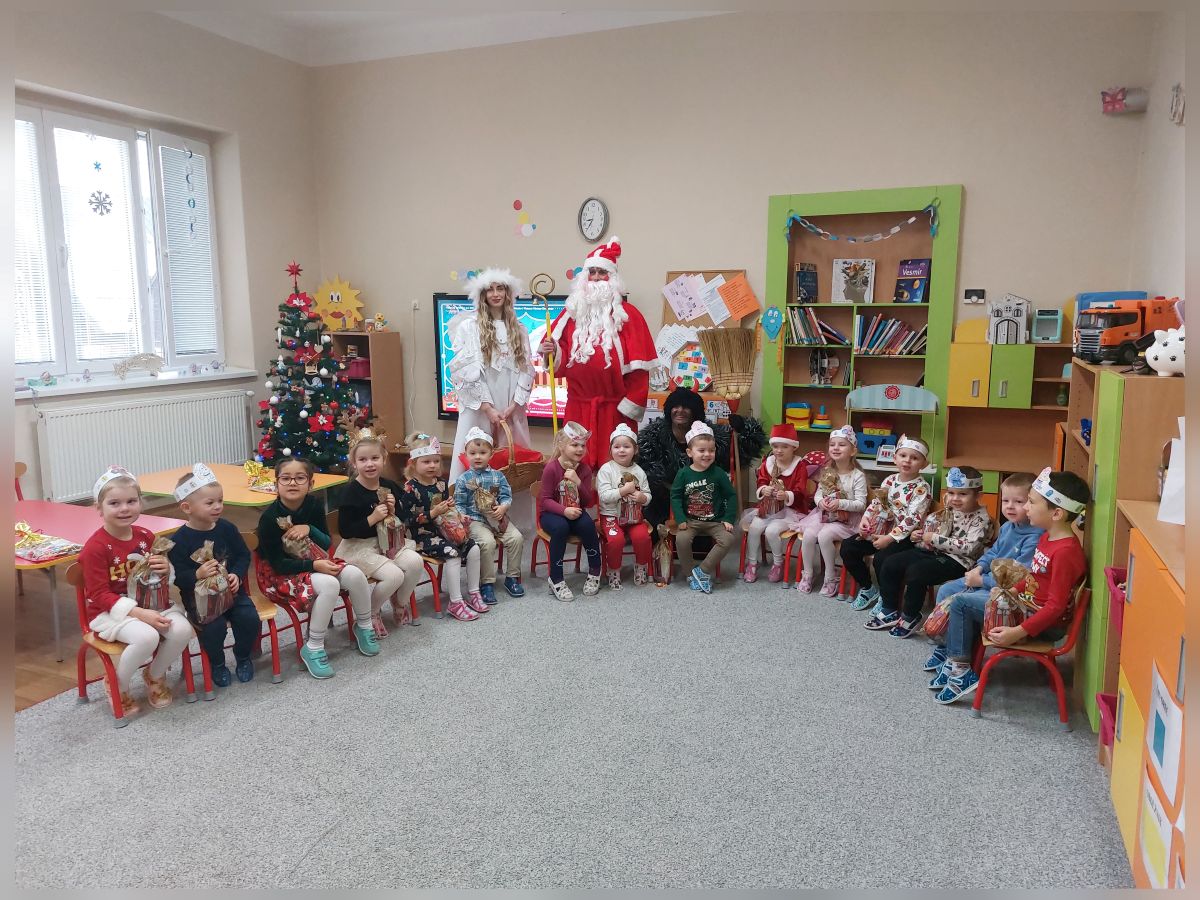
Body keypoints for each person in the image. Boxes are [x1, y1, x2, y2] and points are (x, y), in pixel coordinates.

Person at [932, 468, 1089, 705]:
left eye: (1031, 502)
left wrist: (1018, 632)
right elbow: (1034, 577)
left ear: (1056, 513)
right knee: (958, 596)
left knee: (961, 603)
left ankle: (960, 670)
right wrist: (1010, 591)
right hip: (1025, 605)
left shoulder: (1065, 552)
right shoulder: (1048, 537)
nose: (1026, 508)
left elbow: (1055, 608)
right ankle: (955, 660)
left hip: (1041, 623)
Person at [80, 466, 194, 714]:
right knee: (147, 637)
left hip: (152, 602)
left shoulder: (146, 536)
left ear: (141, 503)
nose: (124, 508)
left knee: (183, 630)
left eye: (131, 501)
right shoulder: (95, 548)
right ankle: (117, 684)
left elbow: (161, 578)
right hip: (110, 611)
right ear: (99, 508)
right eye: (114, 503)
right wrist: (139, 613)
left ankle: (154, 675)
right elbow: (98, 594)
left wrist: (166, 568)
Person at [536, 237, 657, 469]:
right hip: (578, 408)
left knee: (615, 471)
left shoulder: (628, 316)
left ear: (613, 278)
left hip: (615, 411)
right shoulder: (571, 314)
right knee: (573, 468)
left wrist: (629, 407)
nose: (597, 277)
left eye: (602, 272)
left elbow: (640, 372)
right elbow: (557, 357)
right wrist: (553, 350)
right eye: (592, 272)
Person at [255, 457, 380, 679]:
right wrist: (314, 565)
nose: (292, 483)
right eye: (286, 478)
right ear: (276, 484)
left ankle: (364, 626)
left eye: (300, 478)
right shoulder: (269, 518)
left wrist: (309, 529)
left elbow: (325, 543)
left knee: (354, 574)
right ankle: (313, 646)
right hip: (280, 575)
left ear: (311, 484)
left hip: (315, 561)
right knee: (330, 585)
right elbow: (278, 565)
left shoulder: (313, 505)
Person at [924, 471, 1041, 683]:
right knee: (946, 590)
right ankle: (946, 646)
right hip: (987, 580)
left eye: (1019, 501)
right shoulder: (1008, 527)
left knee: (960, 602)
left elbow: (1020, 579)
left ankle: (959, 661)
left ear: (1033, 503)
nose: (1010, 507)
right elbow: (993, 552)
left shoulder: (1036, 536)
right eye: (1005, 501)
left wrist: (982, 581)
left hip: (1006, 593)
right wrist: (979, 568)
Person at [447, 268, 536, 534]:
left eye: (501, 289)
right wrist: (487, 408)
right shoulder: (469, 327)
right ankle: (470, 520)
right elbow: (465, 369)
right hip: (480, 405)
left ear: (508, 293)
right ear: (483, 294)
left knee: (511, 460)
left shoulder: (519, 329)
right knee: (476, 454)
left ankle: (510, 519)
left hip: (510, 405)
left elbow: (526, 368)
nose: (496, 294)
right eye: (490, 289)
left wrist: (514, 405)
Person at [864, 465, 994, 638]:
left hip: (958, 562)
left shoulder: (982, 519)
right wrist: (917, 537)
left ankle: (910, 616)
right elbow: (932, 532)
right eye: (952, 492)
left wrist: (934, 538)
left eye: (963, 494)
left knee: (917, 572)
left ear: (978, 496)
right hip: (932, 552)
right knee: (890, 562)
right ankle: (889, 609)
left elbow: (969, 548)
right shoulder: (948, 510)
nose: (955, 498)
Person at [167, 464, 261, 686]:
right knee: (213, 628)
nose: (218, 506)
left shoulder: (226, 528)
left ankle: (242, 655)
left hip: (232, 592)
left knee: (249, 618)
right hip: (200, 601)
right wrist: (197, 574)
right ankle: (217, 663)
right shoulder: (179, 540)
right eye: (210, 503)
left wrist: (237, 574)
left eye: (220, 500)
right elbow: (178, 578)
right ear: (187, 507)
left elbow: (242, 555)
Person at [336, 429, 431, 633]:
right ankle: (370, 613)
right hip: (360, 546)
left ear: (384, 459)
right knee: (394, 575)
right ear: (354, 463)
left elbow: (405, 517)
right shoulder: (350, 492)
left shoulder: (390, 486)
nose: (369, 464)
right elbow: (345, 530)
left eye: (375, 458)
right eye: (363, 459)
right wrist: (372, 518)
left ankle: (399, 602)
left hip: (390, 541)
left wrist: (395, 509)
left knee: (415, 562)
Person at [638, 386, 765, 535]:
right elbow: (644, 472)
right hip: (665, 501)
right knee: (656, 534)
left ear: (695, 411)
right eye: (675, 406)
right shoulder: (652, 436)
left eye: (686, 407)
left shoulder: (709, 435)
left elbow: (744, 449)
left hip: (704, 501)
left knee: (701, 542)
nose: (680, 410)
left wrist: (743, 428)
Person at [396, 432, 484, 622]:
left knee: (473, 547)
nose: (432, 465)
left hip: (443, 530)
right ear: (413, 464)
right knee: (452, 553)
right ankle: (455, 602)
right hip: (420, 536)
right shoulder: (410, 488)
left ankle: (474, 592)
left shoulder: (441, 484)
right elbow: (405, 520)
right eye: (426, 462)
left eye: (436, 461)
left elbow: (447, 510)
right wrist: (433, 513)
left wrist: (456, 514)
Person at [841, 436, 933, 611]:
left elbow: (912, 520)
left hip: (904, 538)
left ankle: (886, 596)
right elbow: (877, 503)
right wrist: (866, 518)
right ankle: (868, 588)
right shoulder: (889, 480)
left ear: (924, 464)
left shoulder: (922, 488)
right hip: (880, 530)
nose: (907, 461)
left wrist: (889, 539)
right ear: (895, 458)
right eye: (903, 455)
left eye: (914, 458)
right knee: (848, 547)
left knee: (883, 559)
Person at [453, 426, 526, 602]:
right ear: (466, 455)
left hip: (496, 517)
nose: (477, 457)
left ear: (491, 454)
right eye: (473, 453)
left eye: (482, 453)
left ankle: (512, 577)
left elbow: (506, 495)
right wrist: (462, 516)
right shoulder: (463, 479)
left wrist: (503, 507)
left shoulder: (498, 476)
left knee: (516, 538)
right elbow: (459, 504)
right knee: (487, 542)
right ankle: (486, 583)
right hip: (475, 520)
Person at [793, 426, 868, 595]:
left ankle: (830, 577)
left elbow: (861, 504)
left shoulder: (857, 476)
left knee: (824, 535)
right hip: (825, 517)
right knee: (809, 534)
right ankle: (808, 573)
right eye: (832, 444)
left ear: (853, 451)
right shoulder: (827, 472)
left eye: (842, 444)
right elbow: (818, 494)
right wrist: (821, 503)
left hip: (848, 522)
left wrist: (840, 503)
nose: (835, 448)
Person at [538, 422, 603, 601]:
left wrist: (579, 482)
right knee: (561, 528)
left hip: (575, 512)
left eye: (583, 445)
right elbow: (545, 501)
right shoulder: (551, 468)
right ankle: (556, 578)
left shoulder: (584, 470)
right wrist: (564, 510)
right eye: (574, 445)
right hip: (551, 514)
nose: (580, 449)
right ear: (561, 446)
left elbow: (588, 502)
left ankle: (595, 571)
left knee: (588, 525)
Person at [671, 421, 738, 594]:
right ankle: (690, 574)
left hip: (715, 521)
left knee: (728, 539)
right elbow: (675, 496)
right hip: (690, 521)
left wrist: (728, 519)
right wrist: (680, 519)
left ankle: (702, 571)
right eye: (701, 450)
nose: (707, 454)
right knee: (681, 539)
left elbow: (731, 496)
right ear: (690, 452)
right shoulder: (683, 474)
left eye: (711, 450)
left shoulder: (718, 474)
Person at [741, 423, 811, 584]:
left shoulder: (799, 466)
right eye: (775, 446)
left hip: (790, 510)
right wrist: (764, 489)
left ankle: (778, 564)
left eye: (784, 447)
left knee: (772, 531)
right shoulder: (768, 462)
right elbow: (761, 481)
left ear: (793, 447)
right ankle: (752, 563)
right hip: (768, 508)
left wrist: (786, 495)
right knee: (754, 528)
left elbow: (800, 490)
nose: (779, 450)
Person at [596, 423, 653, 590]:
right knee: (616, 540)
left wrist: (643, 498)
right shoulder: (606, 470)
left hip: (634, 517)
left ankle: (641, 566)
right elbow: (604, 497)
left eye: (626, 446)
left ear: (635, 450)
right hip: (611, 516)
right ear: (611, 450)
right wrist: (623, 491)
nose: (621, 450)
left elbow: (648, 495)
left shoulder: (639, 471)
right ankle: (614, 571)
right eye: (617, 447)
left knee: (643, 538)